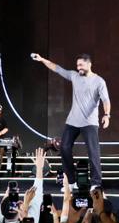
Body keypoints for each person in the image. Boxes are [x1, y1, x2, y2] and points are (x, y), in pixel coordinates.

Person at [31, 52, 111, 189]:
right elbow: (57, 68)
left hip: (90, 123)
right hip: (73, 121)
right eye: (77, 65)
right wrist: (42, 59)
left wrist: (107, 115)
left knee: (93, 152)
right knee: (64, 147)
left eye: (81, 65)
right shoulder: (74, 76)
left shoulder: (99, 81)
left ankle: (96, 183)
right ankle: (71, 182)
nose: (78, 67)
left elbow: (106, 100)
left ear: (89, 64)